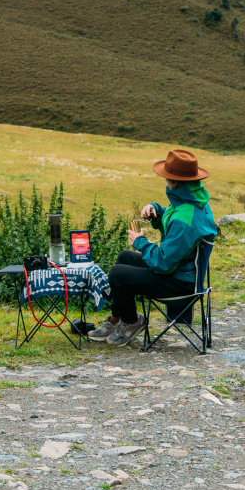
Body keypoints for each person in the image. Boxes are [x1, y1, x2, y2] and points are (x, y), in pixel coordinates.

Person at [89, 147, 217, 347]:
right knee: (124, 257)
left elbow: (164, 262)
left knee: (117, 273)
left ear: (174, 182)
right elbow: (176, 225)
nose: (165, 182)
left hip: (179, 283)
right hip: (181, 272)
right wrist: (156, 210)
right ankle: (116, 320)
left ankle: (132, 322)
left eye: (166, 178)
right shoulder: (193, 201)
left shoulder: (186, 219)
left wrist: (140, 241)